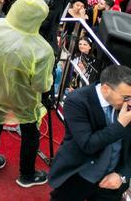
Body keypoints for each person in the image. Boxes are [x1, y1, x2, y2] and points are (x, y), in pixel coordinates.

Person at [0, 0, 55, 187]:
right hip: (23, 98)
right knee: (30, 132)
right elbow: (41, 85)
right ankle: (27, 175)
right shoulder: (43, 49)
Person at [48, 64, 131, 200]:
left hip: (112, 181)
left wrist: (122, 175)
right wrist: (121, 124)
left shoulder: (126, 102)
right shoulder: (77, 101)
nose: (129, 102)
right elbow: (88, 144)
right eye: (126, 97)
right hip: (78, 174)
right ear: (106, 89)